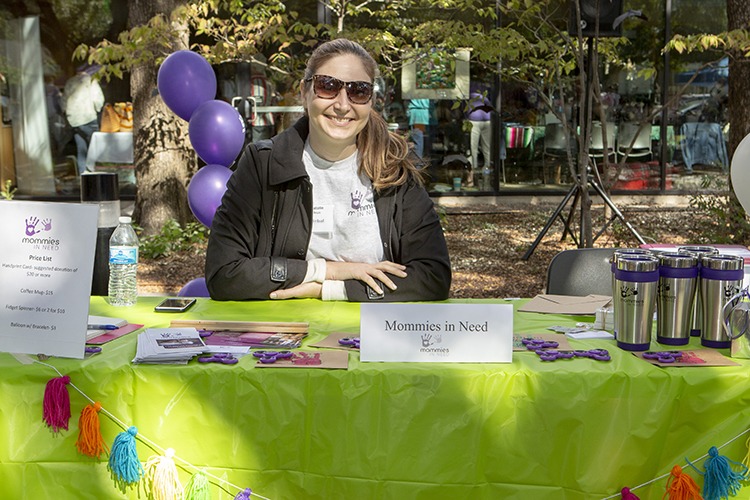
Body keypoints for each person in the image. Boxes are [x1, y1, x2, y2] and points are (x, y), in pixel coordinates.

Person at [205, 38, 451, 302]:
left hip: (373, 333)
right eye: (328, 86)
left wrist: (330, 289)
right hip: (285, 334)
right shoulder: (263, 164)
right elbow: (224, 274)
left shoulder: (395, 167)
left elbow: (433, 276)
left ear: (371, 100)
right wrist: (326, 270)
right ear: (305, 91)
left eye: (358, 91)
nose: (343, 104)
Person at [62, 66, 105, 174]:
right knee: (94, 146)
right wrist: (98, 109)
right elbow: (98, 99)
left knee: (81, 147)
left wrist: (66, 113)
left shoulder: (70, 81)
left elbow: (63, 101)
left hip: (74, 119)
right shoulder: (91, 81)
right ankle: (93, 170)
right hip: (88, 117)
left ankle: (83, 173)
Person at [466, 91, 493, 188]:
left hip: (474, 120)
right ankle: (486, 178)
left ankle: (471, 179)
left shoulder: (468, 89)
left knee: (473, 150)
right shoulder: (486, 87)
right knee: (487, 150)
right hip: (487, 120)